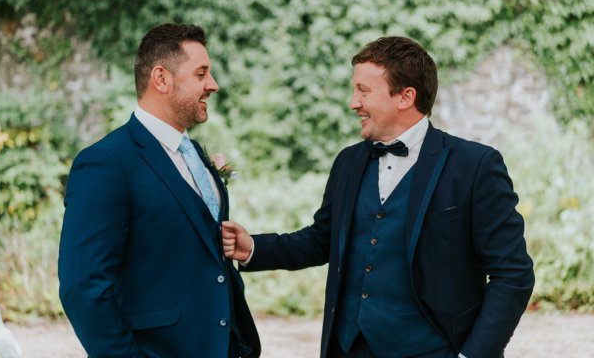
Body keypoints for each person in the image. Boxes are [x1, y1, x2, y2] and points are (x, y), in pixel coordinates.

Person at [222, 36, 534, 358]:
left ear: (405, 96)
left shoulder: (474, 165)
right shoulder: (348, 162)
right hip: (348, 347)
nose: (353, 102)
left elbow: (513, 274)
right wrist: (254, 248)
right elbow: (321, 239)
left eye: (364, 91)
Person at [58, 23, 260, 358]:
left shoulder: (194, 152)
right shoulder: (106, 163)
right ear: (161, 78)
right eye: (201, 74)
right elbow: (84, 288)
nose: (213, 84)